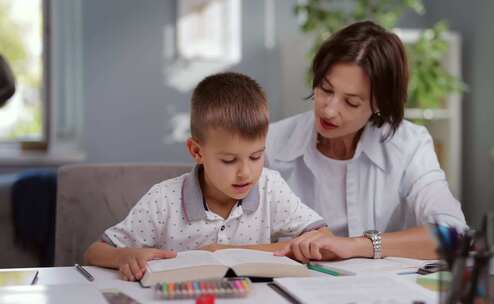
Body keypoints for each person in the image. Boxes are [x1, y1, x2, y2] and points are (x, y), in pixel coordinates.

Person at [84, 72, 329, 281]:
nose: (246, 172)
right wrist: (123, 256)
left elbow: (323, 237)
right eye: (229, 160)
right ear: (196, 151)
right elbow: (95, 252)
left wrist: (225, 251)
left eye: (256, 156)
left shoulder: (270, 186)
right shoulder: (163, 199)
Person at [267, 21, 467, 261]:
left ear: (379, 105)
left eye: (351, 102)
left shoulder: (409, 144)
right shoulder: (271, 144)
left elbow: (454, 236)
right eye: (326, 89)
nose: (329, 111)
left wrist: (355, 246)